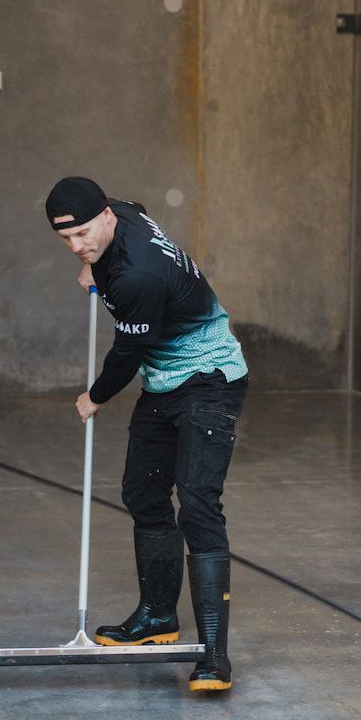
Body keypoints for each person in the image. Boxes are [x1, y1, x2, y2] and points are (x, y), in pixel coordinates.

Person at [45, 176, 248, 691]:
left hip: (210, 379)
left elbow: (126, 356)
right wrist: (92, 264)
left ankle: (213, 654)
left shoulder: (139, 276)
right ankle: (159, 618)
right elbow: (131, 204)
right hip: (166, 382)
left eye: (85, 235)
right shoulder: (120, 212)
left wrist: (94, 397)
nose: (77, 246)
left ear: (107, 218)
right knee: (143, 493)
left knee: (198, 503)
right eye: (67, 240)